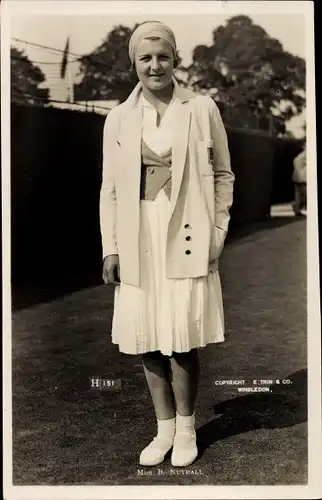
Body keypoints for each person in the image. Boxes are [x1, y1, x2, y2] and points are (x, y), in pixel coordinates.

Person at [99, 21, 234, 467]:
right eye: (145, 58)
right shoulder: (118, 118)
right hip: (139, 237)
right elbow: (110, 190)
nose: (154, 66)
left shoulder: (201, 107)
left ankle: (187, 429)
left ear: (175, 59)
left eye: (162, 57)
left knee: (181, 338)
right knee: (148, 338)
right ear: (134, 64)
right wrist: (111, 247)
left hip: (188, 236)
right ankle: (162, 431)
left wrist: (217, 232)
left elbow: (222, 175)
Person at [292, 145, 307, 216]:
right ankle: (297, 207)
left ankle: (297, 208)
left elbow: (295, 161)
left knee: (298, 194)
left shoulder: (301, 154)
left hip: (297, 176)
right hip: (302, 177)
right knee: (304, 194)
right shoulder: (306, 154)